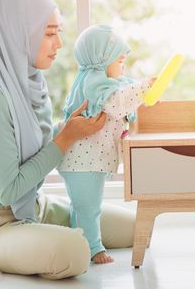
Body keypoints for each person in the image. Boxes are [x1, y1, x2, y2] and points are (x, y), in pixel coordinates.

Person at [0, 0, 135, 280]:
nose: (59, 44)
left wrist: (73, 127)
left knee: (133, 227)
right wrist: (66, 137)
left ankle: (39, 235)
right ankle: (32, 243)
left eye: (59, 32)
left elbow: (37, 142)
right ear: (17, 34)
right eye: (50, 33)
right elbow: (8, 190)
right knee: (75, 253)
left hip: (34, 208)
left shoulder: (31, 83)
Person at [58, 24, 155, 264]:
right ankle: (92, 248)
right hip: (82, 162)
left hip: (89, 161)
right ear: (102, 59)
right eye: (119, 61)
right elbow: (116, 102)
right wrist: (143, 89)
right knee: (87, 208)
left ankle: (77, 243)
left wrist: (146, 93)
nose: (123, 67)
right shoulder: (94, 82)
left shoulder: (108, 82)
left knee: (86, 206)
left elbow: (126, 95)